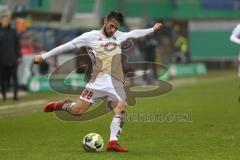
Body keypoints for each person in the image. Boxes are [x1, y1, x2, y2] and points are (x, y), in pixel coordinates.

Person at [34, 11, 162, 152]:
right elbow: (67, 46)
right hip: (97, 82)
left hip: (115, 83)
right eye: (111, 26)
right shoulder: (90, 36)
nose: (113, 30)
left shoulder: (118, 36)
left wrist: (152, 29)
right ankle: (61, 105)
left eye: (116, 28)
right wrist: (44, 56)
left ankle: (113, 143)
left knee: (120, 109)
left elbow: (134, 33)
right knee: (78, 110)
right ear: (105, 21)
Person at [0, 13, 21, 101]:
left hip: (13, 59)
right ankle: (4, 96)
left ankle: (15, 96)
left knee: (14, 78)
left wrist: (19, 56)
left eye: (7, 20)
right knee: (2, 79)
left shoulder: (13, 31)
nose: (6, 22)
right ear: (1, 21)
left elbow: (17, 45)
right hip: (1, 60)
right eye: (4, 20)